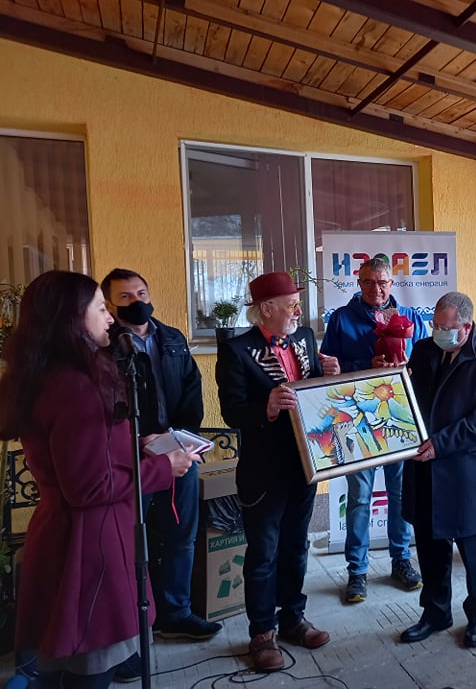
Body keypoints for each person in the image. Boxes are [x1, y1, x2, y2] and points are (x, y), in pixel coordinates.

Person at [0, 271, 198, 689]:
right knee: (87, 669)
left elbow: (78, 456)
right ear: (71, 318)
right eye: (100, 308)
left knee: (62, 663)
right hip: (90, 546)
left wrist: (134, 446)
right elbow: (88, 486)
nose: (110, 318)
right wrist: (164, 467)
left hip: (66, 534)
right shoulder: (75, 386)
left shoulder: (46, 374)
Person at [216, 271, 340, 673]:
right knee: (263, 553)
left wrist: (328, 378)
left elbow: (312, 395)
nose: (298, 311)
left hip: (304, 465)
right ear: (266, 309)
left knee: (295, 547)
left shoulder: (304, 337)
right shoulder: (236, 351)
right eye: (291, 304)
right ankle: (262, 632)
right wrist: (266, 408)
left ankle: (292, 618)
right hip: (264, 471)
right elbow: (232, 411)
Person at [100, 268, 220, 641]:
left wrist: (183, 436)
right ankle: (134, 621)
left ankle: (177, 613)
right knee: (131, 541)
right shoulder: (104, 348)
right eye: (125, 297)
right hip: (132, 459)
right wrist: (138, 439)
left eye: (141, 293)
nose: (137, 301)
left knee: (182, 534)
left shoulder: (172, 338)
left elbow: (192, 387)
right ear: (109, 305)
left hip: (178, 451)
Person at [399, 291, 476, 649]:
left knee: (473, 545)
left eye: (447, 328)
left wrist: (442, 443)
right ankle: (435, 612)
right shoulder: (424, 349)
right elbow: (410, 399)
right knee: (430, 544)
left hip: (463, 468)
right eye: (435, 325)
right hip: (423, 465)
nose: (439, 332)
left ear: (467, 327)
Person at [320, 257, 428, 602]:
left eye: (382, 282)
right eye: (368, 282)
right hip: (356, 419)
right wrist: (364, 365)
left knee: (400, 494)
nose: (376, 289)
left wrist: (410, 367)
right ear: (359, 282)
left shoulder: (410, 318)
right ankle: (357, 571)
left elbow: (428, 362)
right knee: (359, 497)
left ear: (391, 284)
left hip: (398, 417)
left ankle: (401, 560)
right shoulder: (341, 319)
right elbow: (327, 370)